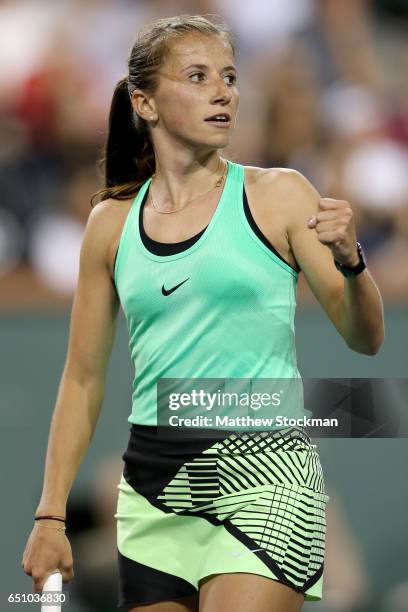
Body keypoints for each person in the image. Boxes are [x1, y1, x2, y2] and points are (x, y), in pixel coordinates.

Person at [21, 14, 384, 612]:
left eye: (230, 77)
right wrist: (50, 515)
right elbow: (82, 378)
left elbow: (366, 338)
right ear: (146, 102)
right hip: (152, 490)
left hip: (270, 479)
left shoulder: (281, 194)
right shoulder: (109, 225)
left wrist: (352, 261)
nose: (224, 92)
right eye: (197, 76)